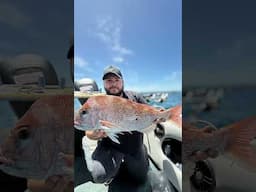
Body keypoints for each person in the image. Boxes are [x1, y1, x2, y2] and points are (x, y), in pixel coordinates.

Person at [85, 65, 149, 186]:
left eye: (116, 80)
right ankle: (104, 163)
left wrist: (161, 117)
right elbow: (87, 132)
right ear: (103, 83)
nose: (113, 84)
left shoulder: (135, 97)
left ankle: (142, 150)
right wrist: (94, 134)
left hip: (134, 146)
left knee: (140, 179)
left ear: (122, 81)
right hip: (111, 146)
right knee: (99, 176)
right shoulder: (96, 102)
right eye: (109, 81)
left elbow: (151, 111)